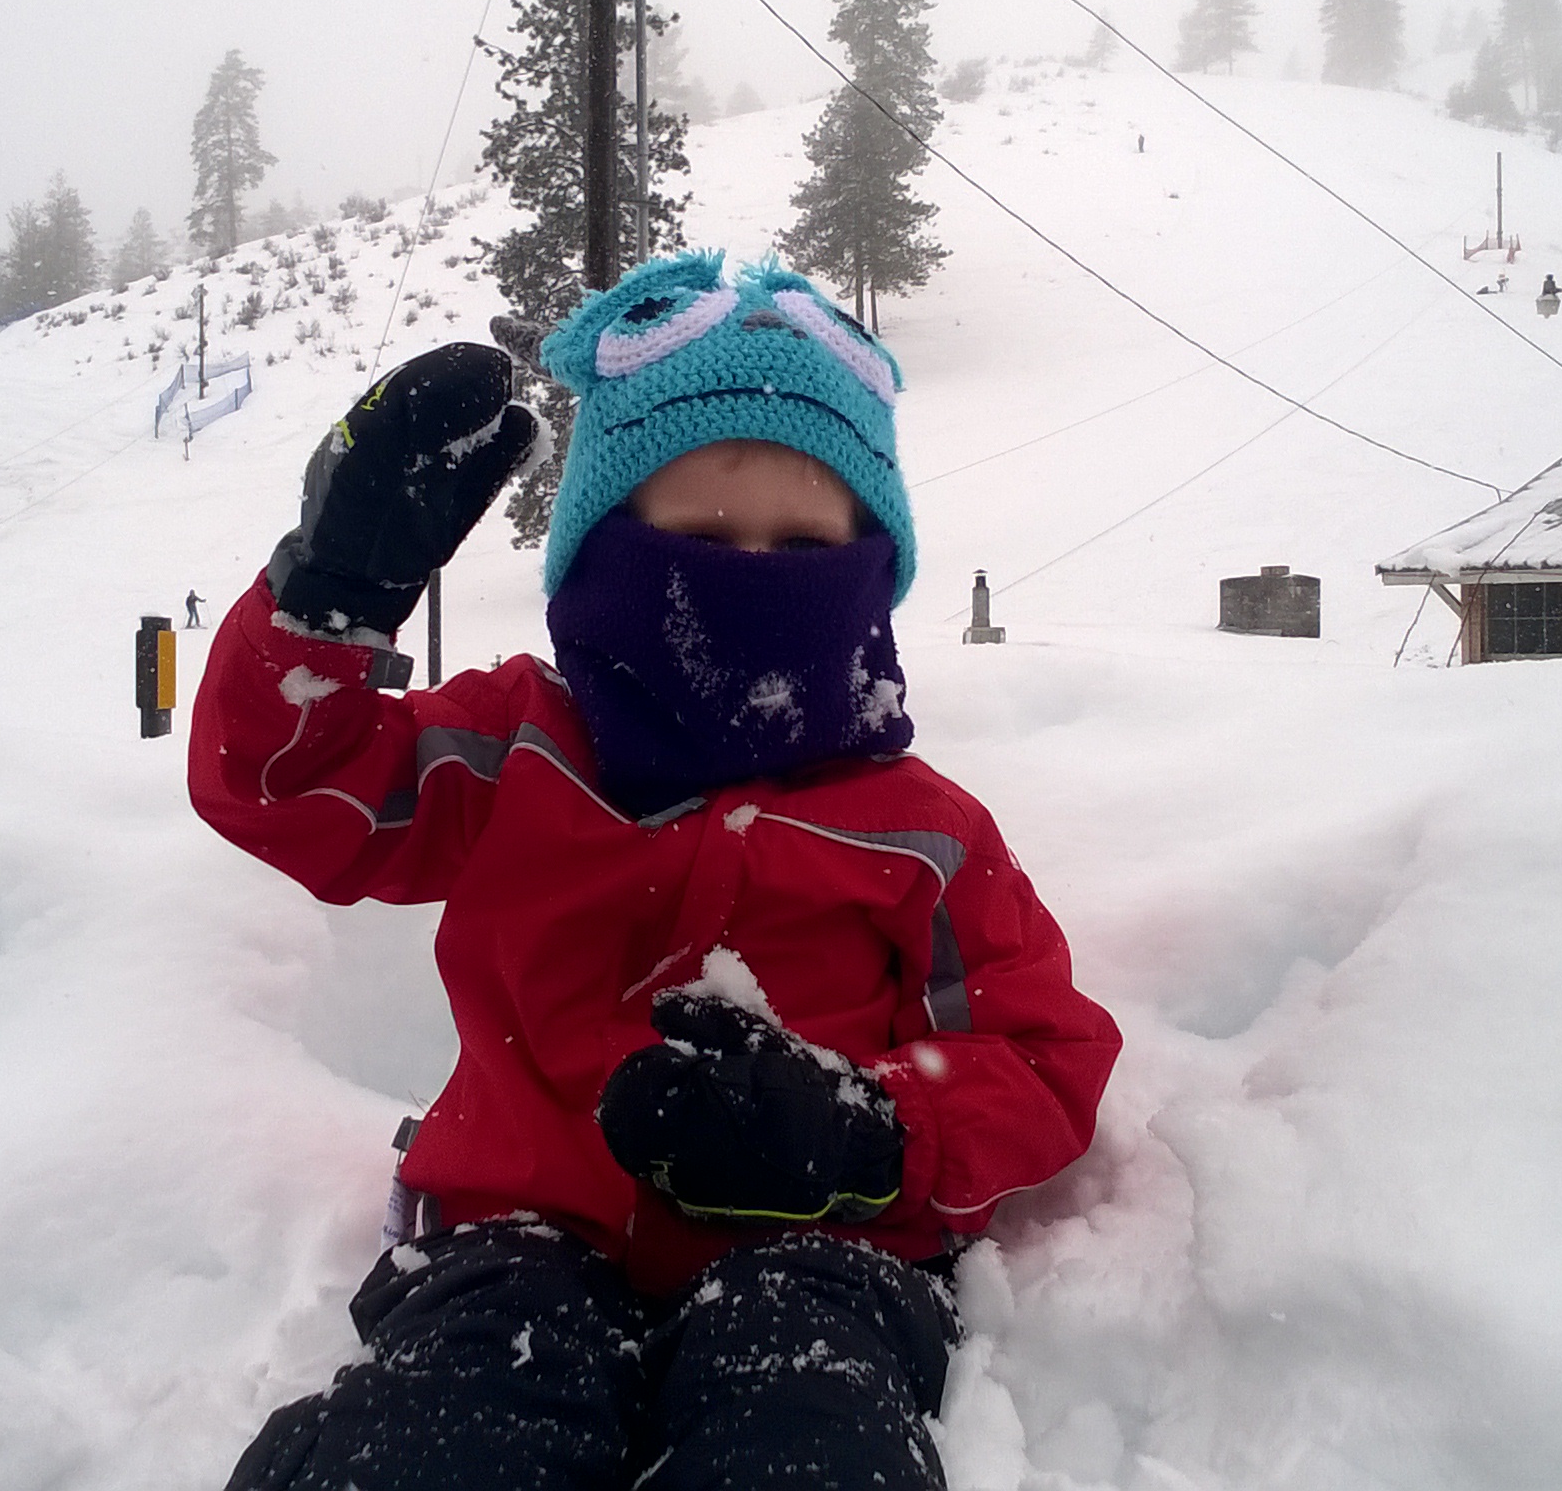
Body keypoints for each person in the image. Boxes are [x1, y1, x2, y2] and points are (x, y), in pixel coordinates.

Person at [189, 252, 1121, 1491]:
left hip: (818, 1255)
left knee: (806, 1444)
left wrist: (870, 1130)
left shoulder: (922, 833)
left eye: (804, 544)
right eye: (704, 540)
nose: (755, 578)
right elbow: (286, 789)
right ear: (606, 556)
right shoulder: (515, 751)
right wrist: (331, 601)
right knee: (446, 1432)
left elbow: (1046, 1056)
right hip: (510, 1241)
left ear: (870, 569)